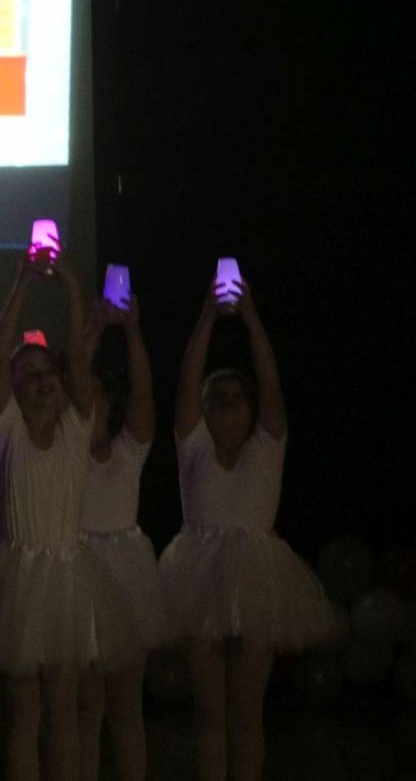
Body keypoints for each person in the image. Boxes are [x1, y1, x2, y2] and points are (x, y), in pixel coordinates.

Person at [160, 276, 335, 781]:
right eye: (217, 396)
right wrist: (207, 317)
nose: (226, 402)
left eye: (237, 395)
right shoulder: (194, 446)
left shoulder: (266, 445)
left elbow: (272, 383)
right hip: (198, 578)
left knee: (246, 714)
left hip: (258, 579)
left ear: (253, 407)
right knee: (210, 716)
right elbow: (187, 383)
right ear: (204, 409)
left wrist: (251, 316)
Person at [0, 248, 135, 781]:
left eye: (48, 373)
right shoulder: (8, 430)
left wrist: (69, 285)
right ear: (16, 388)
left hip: (67, 578)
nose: (43, 381)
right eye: (31, 374)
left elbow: (80, 363)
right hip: (22, 578)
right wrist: (23, 281)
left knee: (65, 713)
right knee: (25, 715)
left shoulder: (75, 428)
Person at [76, 296, 171, 781]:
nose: (89, 405)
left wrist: (131, 331)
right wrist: (92, 333)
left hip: (126, 575)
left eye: (98, 396)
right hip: (79, 576)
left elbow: (144, 396)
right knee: (86, 710)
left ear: (109, 404)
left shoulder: (128, 450)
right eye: (82, 397)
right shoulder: (64, 455)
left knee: (126, 709)